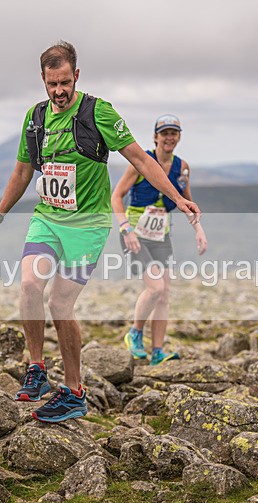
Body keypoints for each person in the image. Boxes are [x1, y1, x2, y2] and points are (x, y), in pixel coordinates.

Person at [0, 41, 200, 422]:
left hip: (88, 225)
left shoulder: (98, 112)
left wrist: (178, 198)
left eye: (65, 82)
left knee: (60, 304)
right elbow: (21, 172)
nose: (59, 91)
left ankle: (74, 392)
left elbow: (140, 159)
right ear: (43, 81)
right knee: (30, 285)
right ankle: (36, 369)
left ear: (76, 76)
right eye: (52, 85)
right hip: (48, 217)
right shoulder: (35, 118)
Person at [111, 114, 207, 365]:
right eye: (164, 133)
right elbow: (116, 196)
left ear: (179, 137)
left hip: (161, 234)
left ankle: (157, 353)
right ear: (155, 137)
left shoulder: (182, 167)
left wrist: (199, 230)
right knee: (155, 287)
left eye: (174, 133)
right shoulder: (140, 162)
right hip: (135, 234)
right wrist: (125, 229)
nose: (169, 137)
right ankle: (134, 333)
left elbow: (185, 201)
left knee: (164, 294)